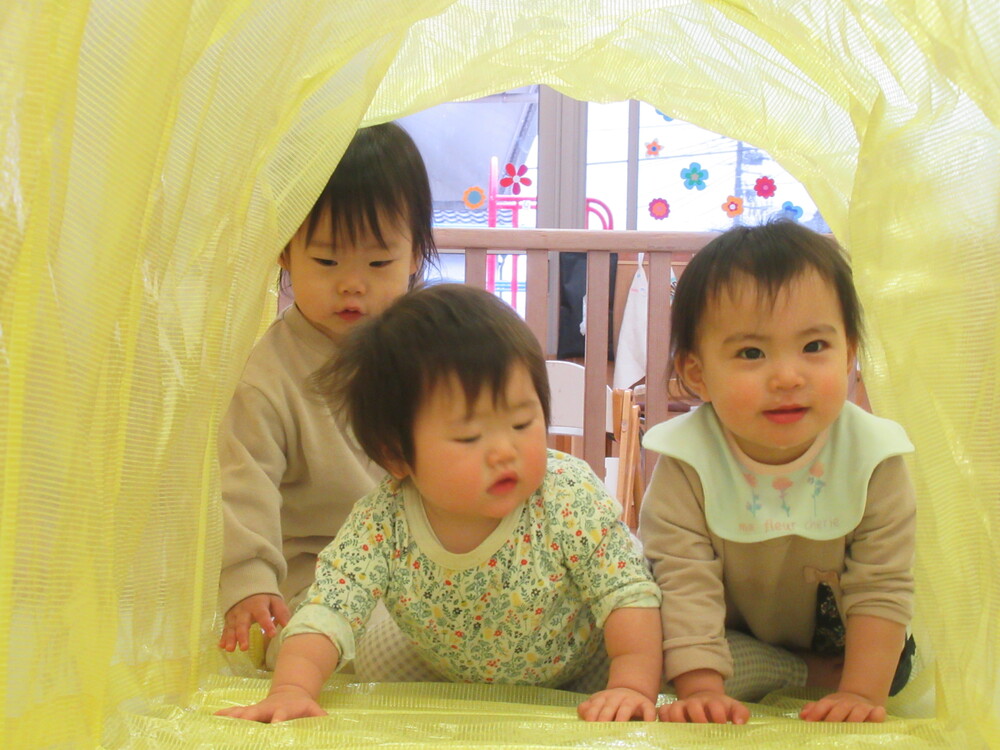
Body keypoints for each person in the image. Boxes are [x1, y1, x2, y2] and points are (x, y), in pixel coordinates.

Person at [215, 284, 663, 723]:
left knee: (674, 650)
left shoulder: (566, 495)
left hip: (585, 668)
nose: (504, 450)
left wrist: (630, 686)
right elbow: (330, 608)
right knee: (374, 651)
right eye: (469, 436)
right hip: (448, 674)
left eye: (522, 422)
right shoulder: (381, 521)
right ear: (396, 455)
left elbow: (624, 593)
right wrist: (292, 689)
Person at [638, 220, 916, 724]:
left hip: (855, 653)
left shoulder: (873, 457)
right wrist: (702, 689)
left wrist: (860, 693)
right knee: (647, 647)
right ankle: (793, 673)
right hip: (730, 645)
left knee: (895, 664)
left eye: (814, 348)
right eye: (751, 353)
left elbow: (883, 585)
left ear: (849, 352)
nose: (788, 377)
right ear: (697, 373)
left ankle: (825, 677)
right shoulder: (688, 460)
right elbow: (682, 577)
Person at [217, 122, 437, 664]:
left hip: (433, 572)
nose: (352, 284)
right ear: (285, 253)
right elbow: (242, 484)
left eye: (379, 262)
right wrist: (248, 580)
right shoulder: (265, 378)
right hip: (320, 586)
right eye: (327, 261)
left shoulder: (436, 354)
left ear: (415, 256)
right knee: (344, 646)